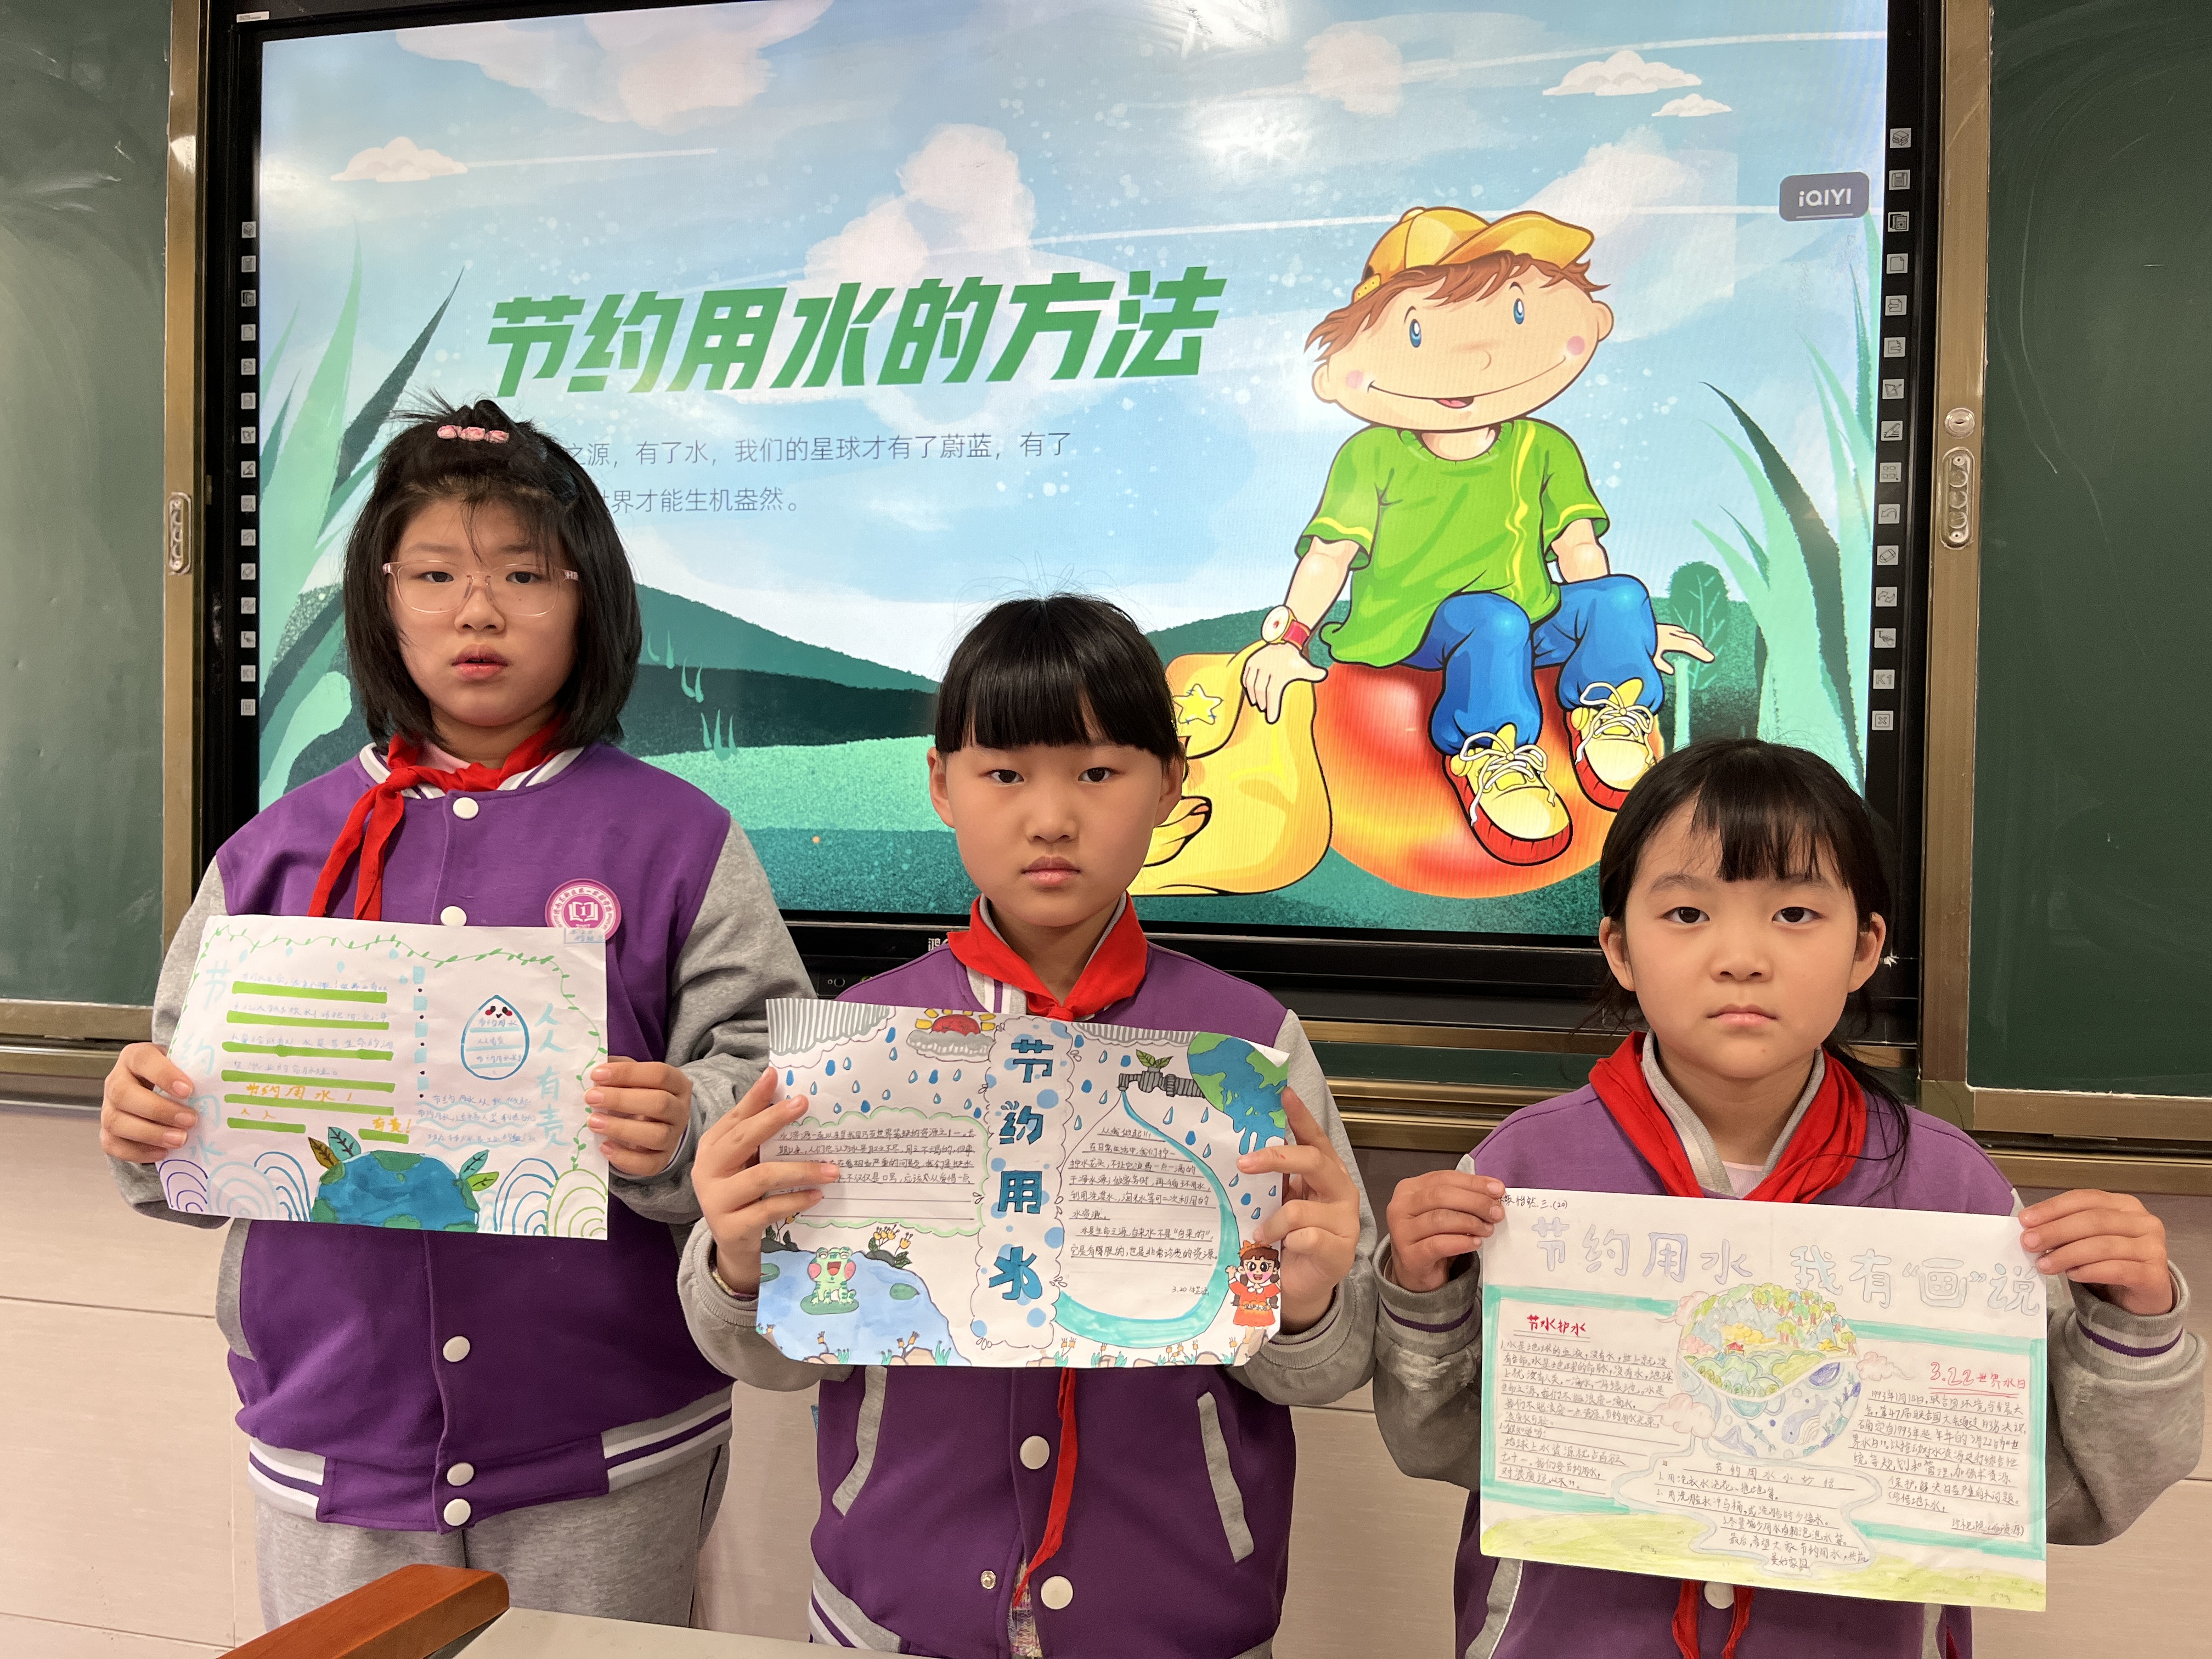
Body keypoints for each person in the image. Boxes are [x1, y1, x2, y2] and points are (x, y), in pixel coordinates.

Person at [98, 398, 812, 1627]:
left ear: (590, 599)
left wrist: (686, 1119)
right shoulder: (275, 853)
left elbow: (773, 1077)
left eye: (524, 574)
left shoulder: (678, 839)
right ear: (381, 602)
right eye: (433, 574)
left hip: (609, 1438)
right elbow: (178, 1114)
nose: (477, 611)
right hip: (340, 1439)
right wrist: (145, 1123)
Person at [1372, 738, 2203, 1657]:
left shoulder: (1952, 1192)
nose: (1741, 957)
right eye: (1687, 912)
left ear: (1864, 948)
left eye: (1795, 912)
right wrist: (1422, 1296)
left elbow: (2068, 1495)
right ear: (1619, 947)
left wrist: (2132, 1328)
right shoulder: (1520, 1172)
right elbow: (1435, 1444)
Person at [680, 594, 1377, 1657]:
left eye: (1096, 772)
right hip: (892, 1611)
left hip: (1174, 1618)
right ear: (941, 784)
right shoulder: (859, 1044)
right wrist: (738, 1265)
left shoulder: (1247, 1047)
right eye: (1005, 773)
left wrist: (1314, 1302)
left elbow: (1323, 1368)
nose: (1051, 818)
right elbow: (775, 1360)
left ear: (1171, 784)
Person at [1237, 205, 1712, 864]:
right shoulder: (1371, 455)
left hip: (1530, 615)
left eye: (1516, 315)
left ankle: (1607, 710)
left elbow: (1578, 548)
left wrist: (1626, 636)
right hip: (1413, 630)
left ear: (1591, 323)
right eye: (1417, 332)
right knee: (1492, 621)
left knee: (1621, 596)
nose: (1472, 359)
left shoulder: (1543, 446)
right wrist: (1290, 637)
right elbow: (1330, 554)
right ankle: (1491, 752)